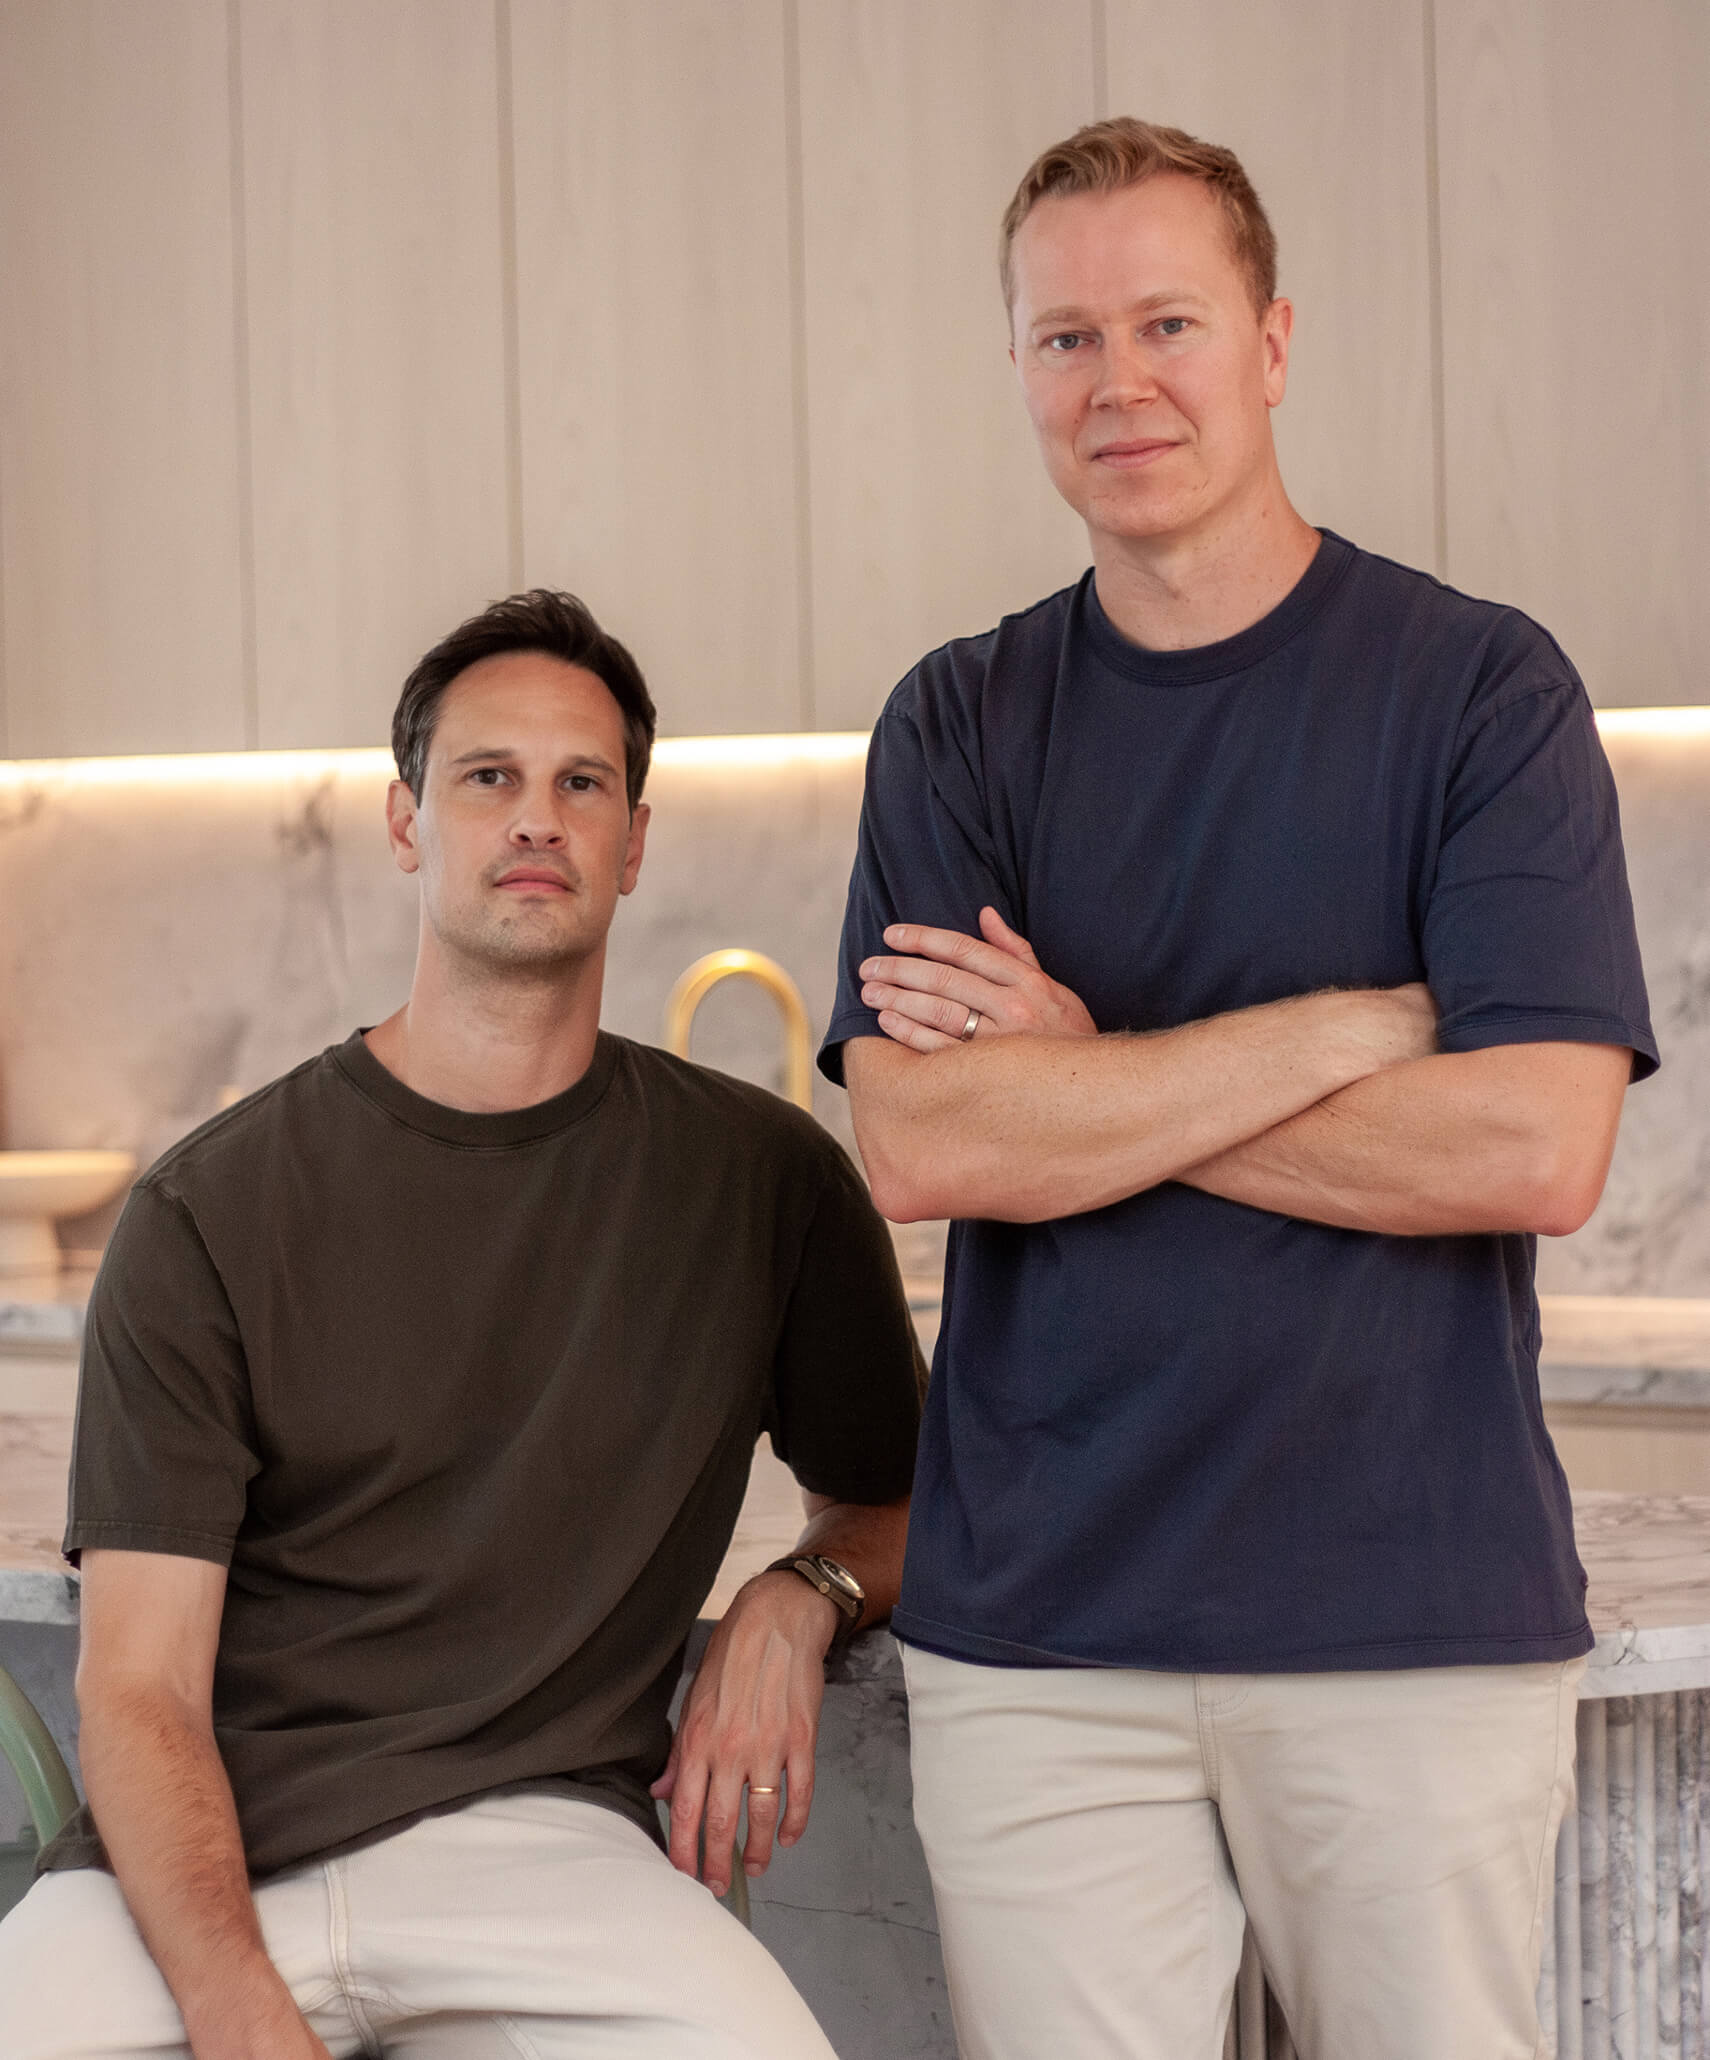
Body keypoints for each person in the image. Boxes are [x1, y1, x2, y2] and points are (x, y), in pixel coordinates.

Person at [820, 118, 1656, 2060]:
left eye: (1169, 321)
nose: (1120, 381)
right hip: (1044, 1645)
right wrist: (1356, 1031)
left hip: (1411, 1622)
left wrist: (1086, 1080)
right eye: (1063, 338)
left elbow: (1533, 1142)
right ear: (1017, 369)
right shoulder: (961, 719)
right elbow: (926, 1137)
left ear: (1274, 340)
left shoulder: (1477, 695)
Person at [0, 589, 922, 2059]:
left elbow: (907, 1500)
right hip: (199, 1868)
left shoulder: (765, 1185)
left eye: (582, 783)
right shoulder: (209, 1212)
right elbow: (141, 1686)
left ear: (633, 841)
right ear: (405, 821)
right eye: (487, 777)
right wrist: (236, 2007)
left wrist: (796, 1593)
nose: (536, 819)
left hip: (547, 1859)